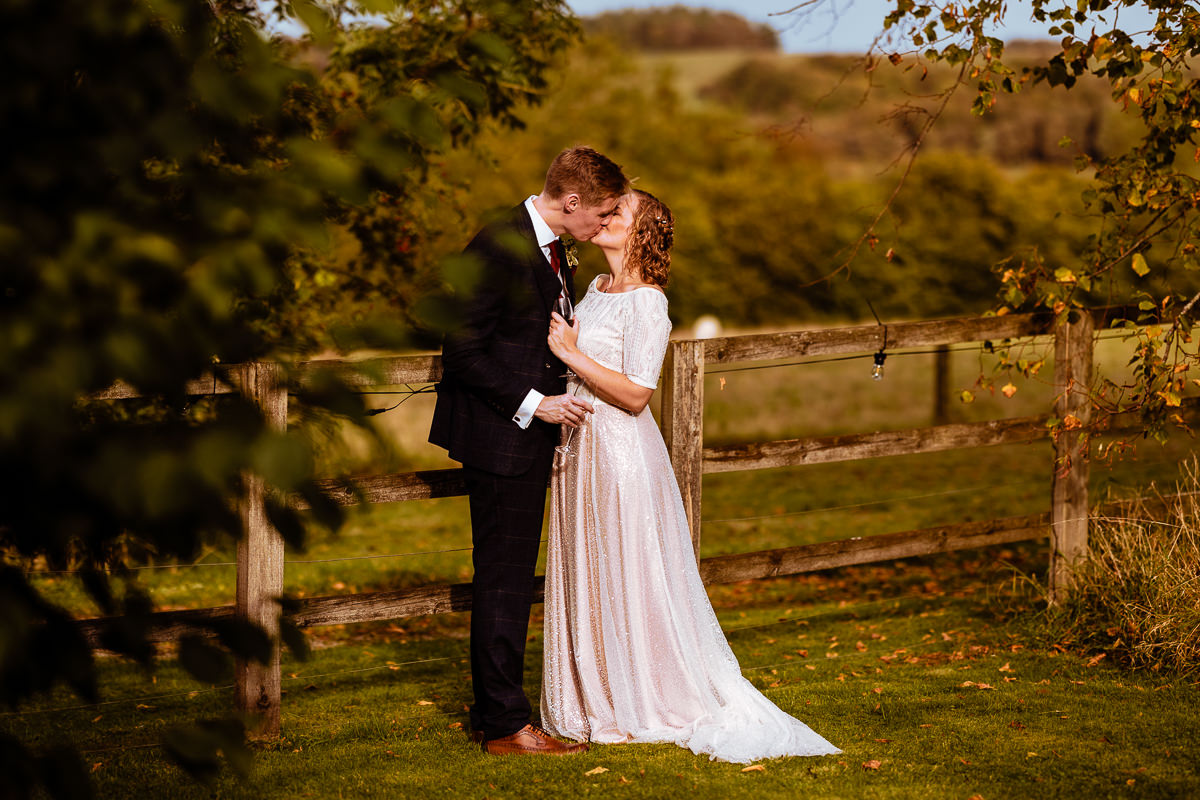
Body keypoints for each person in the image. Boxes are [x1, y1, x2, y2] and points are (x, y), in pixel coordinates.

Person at [541, 189, 842, 763]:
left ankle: (641, 698)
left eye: (616, 214)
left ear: (640, 233)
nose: (603, 219)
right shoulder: (596, 291)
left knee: (628, 571)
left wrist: (572, 355)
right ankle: (594, 698)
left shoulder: (650, 304)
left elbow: (636, 393)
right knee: (592, 568)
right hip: (579, 449)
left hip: (621, 453)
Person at [429, 146, 629, 756]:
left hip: (525, 442)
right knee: (504, 584)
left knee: (511, 582)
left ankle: (502, 713)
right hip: (500, 439)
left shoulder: (547, 246)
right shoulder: (499, 245)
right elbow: (461, 351)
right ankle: (504, 726)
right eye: (601, 213)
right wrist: (535, 404)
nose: (603, 225)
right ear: (571, 202)